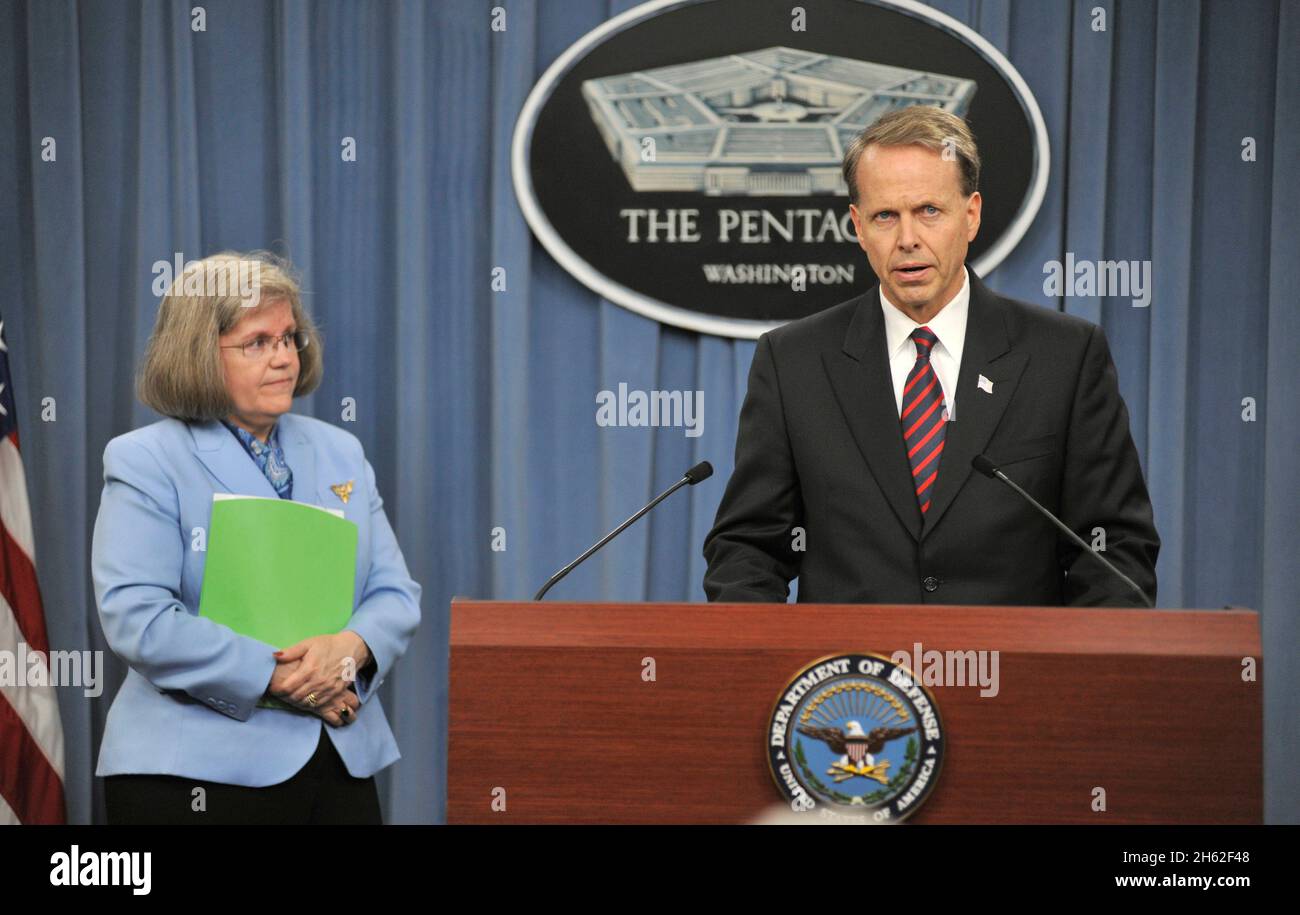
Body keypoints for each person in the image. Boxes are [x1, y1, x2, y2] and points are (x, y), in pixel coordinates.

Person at [703, 106, 1159, 606]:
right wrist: (769, 667)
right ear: (857, 225)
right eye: (885, 217)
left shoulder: (1065, 358)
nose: (908, 240)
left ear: (972, 214)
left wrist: (1070, 678)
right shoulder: (793, 362)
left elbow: (1113, 548)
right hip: (853, 681)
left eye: (929, 211)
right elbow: (748, 550)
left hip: (1007, 676)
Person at [92, 251, 422, 823]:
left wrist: (351, 651)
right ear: (199, 354)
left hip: (338, 761)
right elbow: (139, 619)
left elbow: (394, 593)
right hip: (195, 776)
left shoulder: (339, 451)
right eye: (258, 343)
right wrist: (279, 676)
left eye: (291, 338)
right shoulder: (146, 459)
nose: (285, 359)